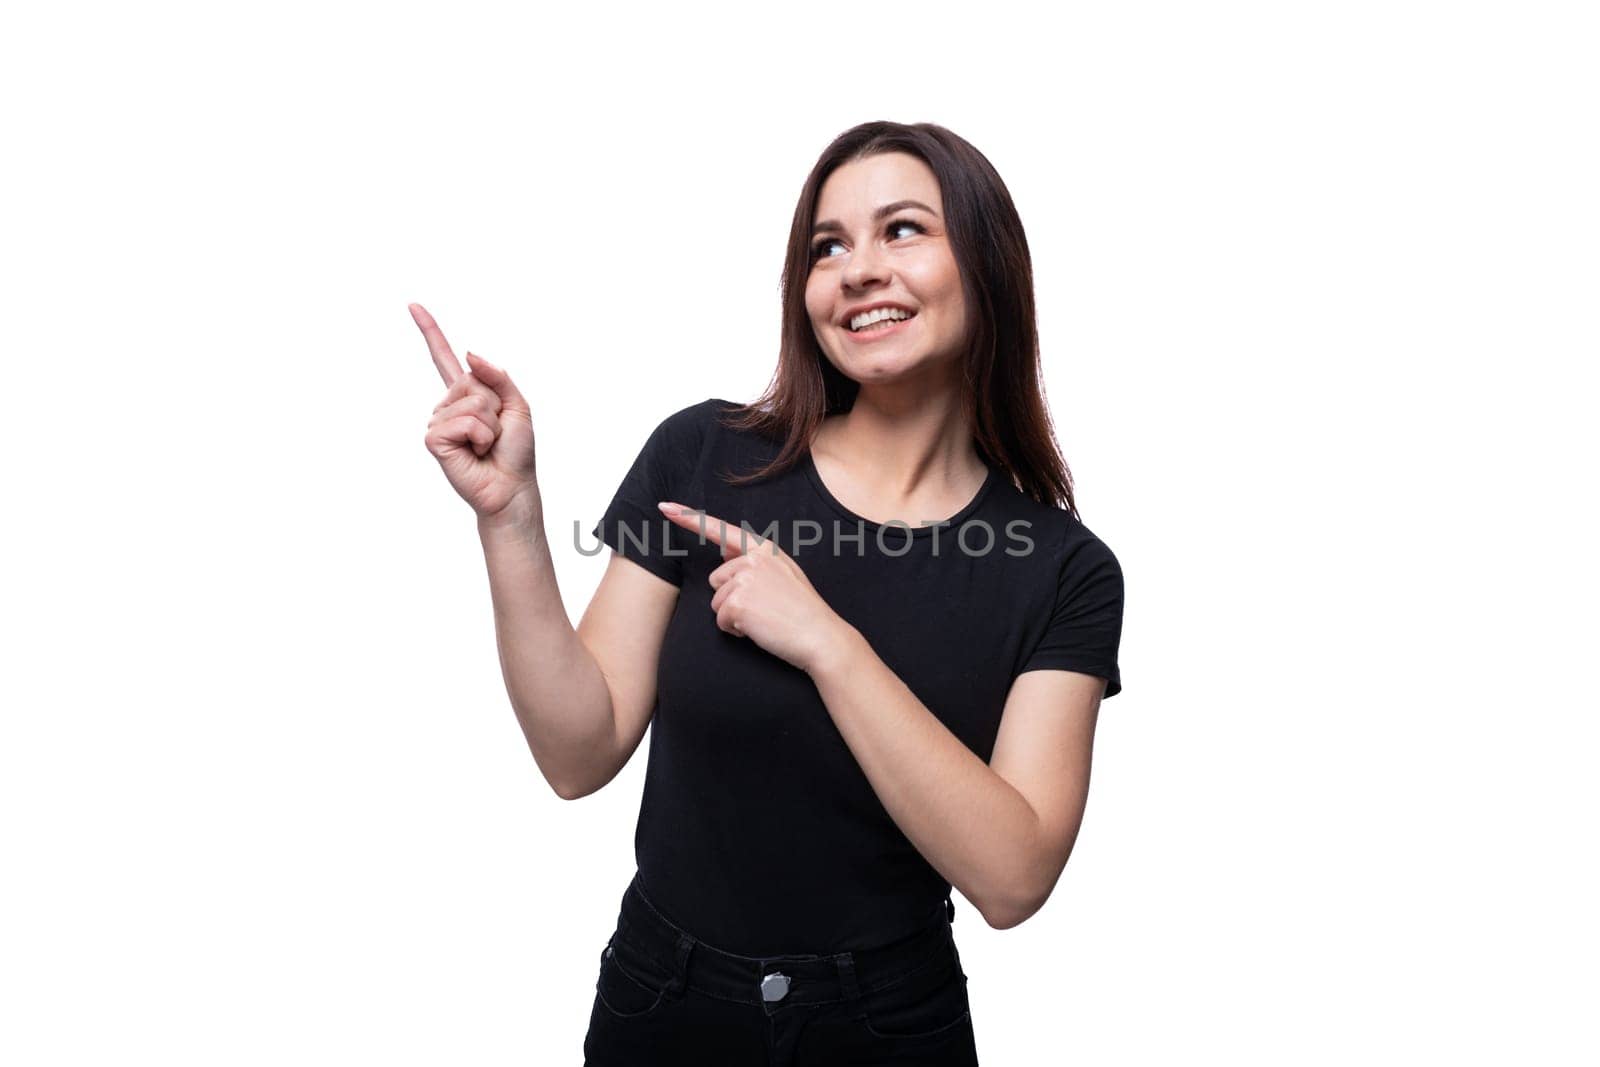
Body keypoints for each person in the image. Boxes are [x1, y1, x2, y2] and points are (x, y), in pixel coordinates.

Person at [412, 120, 1124, 1067]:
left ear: (986, 264)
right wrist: (509, 518)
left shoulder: (1061, 568)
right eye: (828, 247)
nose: (858, 269)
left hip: (888, 1024)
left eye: (902, 229)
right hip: (662, 999)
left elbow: (1013, 878)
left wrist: (826, 640)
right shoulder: (707, 455)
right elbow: (577, 753)